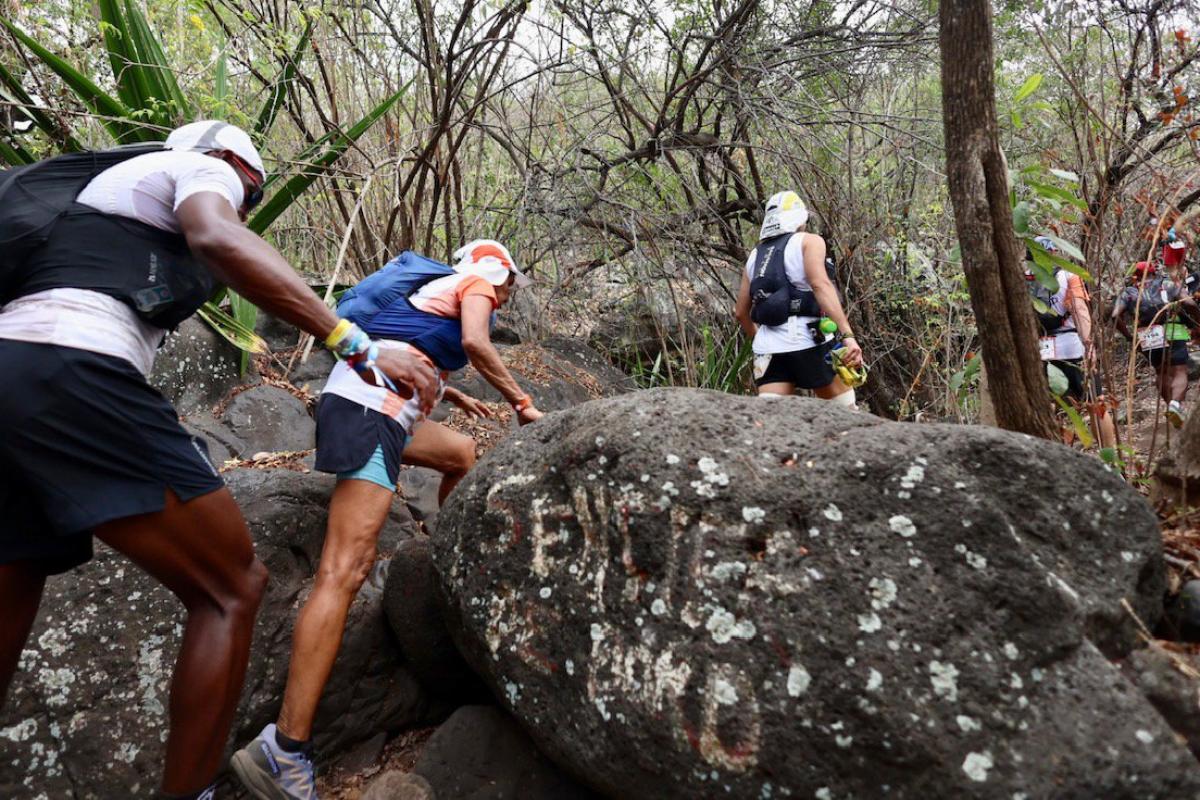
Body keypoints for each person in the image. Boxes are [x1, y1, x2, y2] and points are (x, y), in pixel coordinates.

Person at [0, 121, 437, 800]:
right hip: (73, 367)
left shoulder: (82, 197)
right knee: (231, 587)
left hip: (12, 374)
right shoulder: (203, 168)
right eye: (252, 195)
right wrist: (355, 342)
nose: (246, 203)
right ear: (235, 164)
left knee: (14, 578)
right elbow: (215, 234)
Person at [232, 239, 542, 800]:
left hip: (370, 406)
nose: (506, 296)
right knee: (344, 571)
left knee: (460, 455)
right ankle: (285, 748)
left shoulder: (434, 286)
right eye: (509, 287)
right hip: (373, 412)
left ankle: (447, 553)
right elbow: (473, 340)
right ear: (498, 271)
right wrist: (520, 401)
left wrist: (448, 395)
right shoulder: (478, 283)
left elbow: (410, 342)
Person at [733, 191, 864, 405]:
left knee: (771, 422)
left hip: (768, 350)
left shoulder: (755, 256)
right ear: (800, 218)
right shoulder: (810, 242)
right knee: (845, 415)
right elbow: (820, 284)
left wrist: (759, 340)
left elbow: (740, 313)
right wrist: (848, 335)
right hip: (809, 342)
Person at [1025, 236, 1116, 447]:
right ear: (1053, 253)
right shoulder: (1068, 276)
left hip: (1039, 352)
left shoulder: (1021, 280)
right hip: (1072, 348)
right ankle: (1110, 457)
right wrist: (1089, 345)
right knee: (1096, 402)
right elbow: (1080, 311)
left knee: (1049, 406)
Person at [1112, 260, 1200, 427]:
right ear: (1154, 273)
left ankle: (1172, 409)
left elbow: (1115, 316)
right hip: (1171, 327)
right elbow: (1190, 303)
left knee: (1161, 372)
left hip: (1146, 334)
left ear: (1135, 276)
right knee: (1180, 370)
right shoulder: (1167, 284)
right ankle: (1175, 405)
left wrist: (1130, 337)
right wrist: (1197, 323)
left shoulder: (1129, 292)